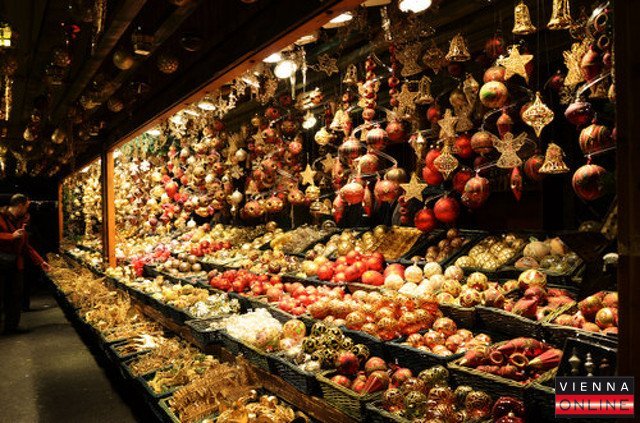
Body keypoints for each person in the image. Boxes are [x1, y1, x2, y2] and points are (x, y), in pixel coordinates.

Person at [0, 194, 50, 333]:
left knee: (15, 295)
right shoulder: (2, 218)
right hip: (2, 263)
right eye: (26, 206)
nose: (28, 209)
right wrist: (11, 236)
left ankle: (11, 326)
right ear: (20, 206)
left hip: (16, 263)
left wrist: (40, 262)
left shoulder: (23, 221)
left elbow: (26, 246)